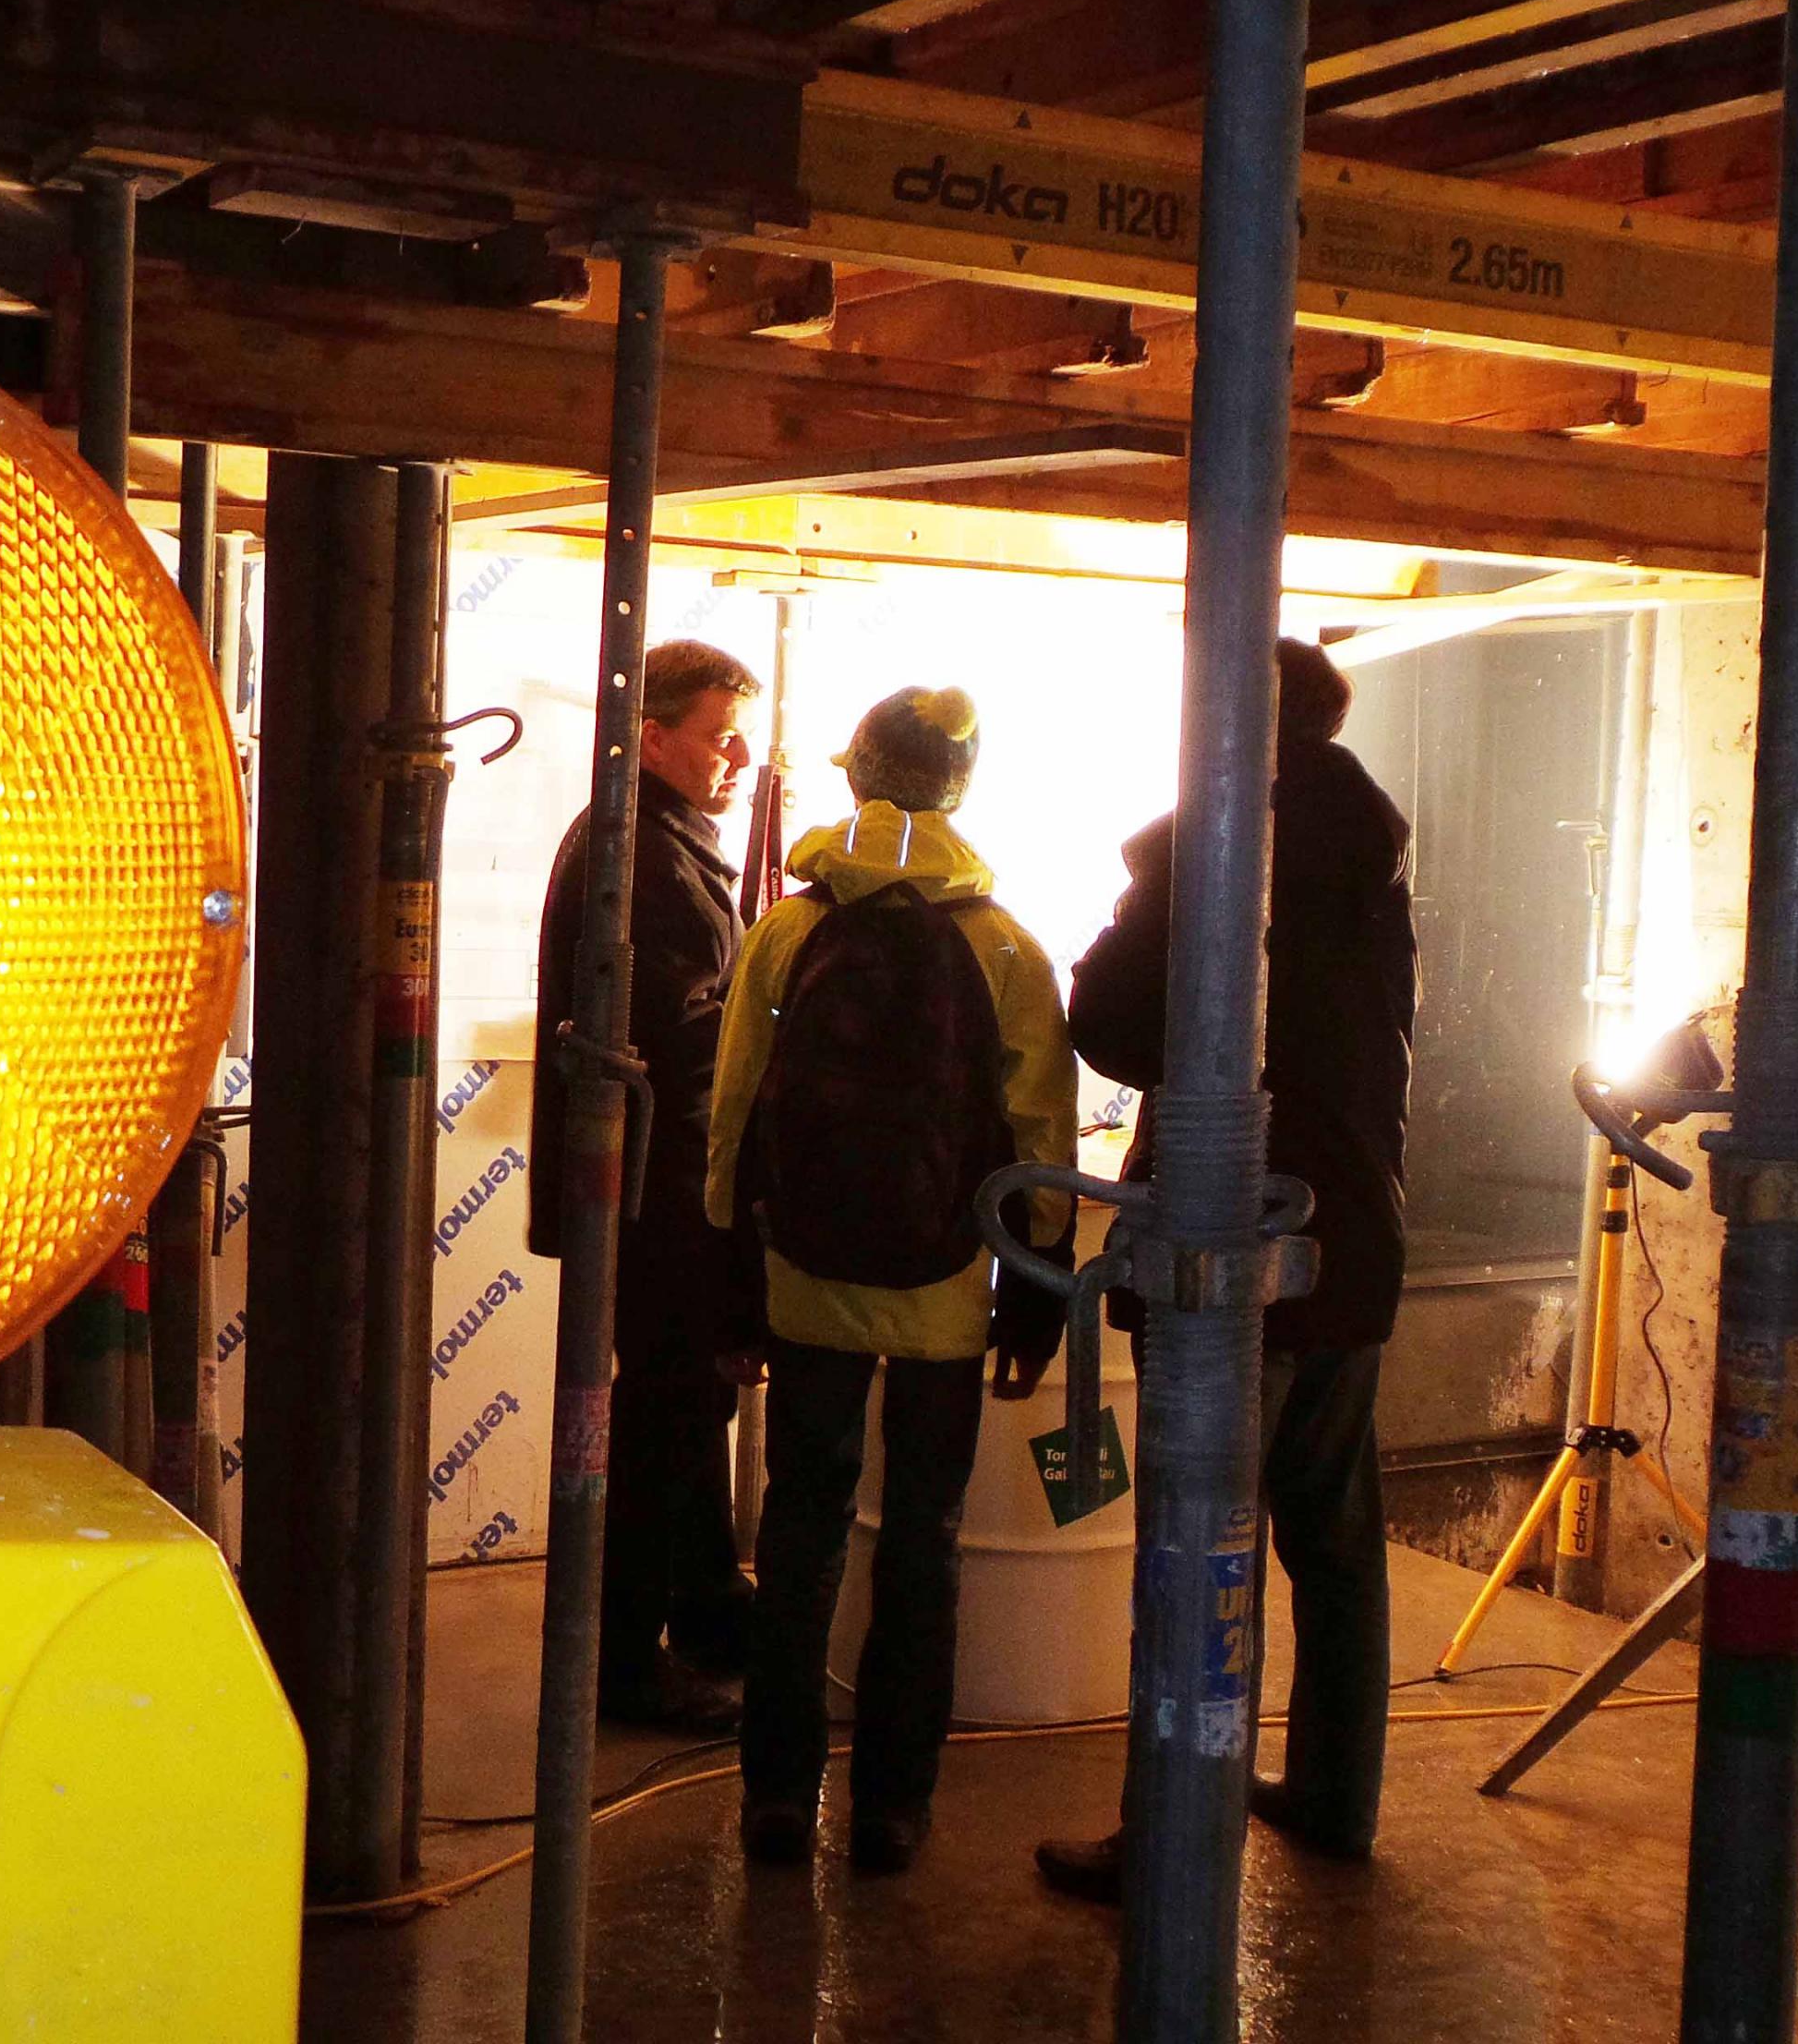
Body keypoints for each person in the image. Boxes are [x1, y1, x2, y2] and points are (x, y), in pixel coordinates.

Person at [1034, 636, 1416, 1893]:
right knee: (1334, 1540)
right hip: (1348, 1239)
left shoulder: (1215, 849)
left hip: (1222, 1244)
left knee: (1198, 1545)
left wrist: (1140, 891)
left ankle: (1168, 1836)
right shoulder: (1371, 854)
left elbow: (1107, 1022)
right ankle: (1337, 1800)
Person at [707, 687, 1078, 1874]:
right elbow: (1041, 1142)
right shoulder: (1006, 943)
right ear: (958, 787)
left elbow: (732, 1115)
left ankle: (776, 1799)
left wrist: (734, 1277)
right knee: (925, 1541)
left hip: (804, 1285)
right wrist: (1035, 1299)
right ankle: (892, 1811)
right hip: (946, 1298)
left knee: (800, 1531)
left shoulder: (787, 928)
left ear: (858, 776)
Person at [533, 638, 769, 1733]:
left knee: (686, 1403)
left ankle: (709, 1606)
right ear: (655, 737)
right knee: (664, 1411)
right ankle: (624, 1662)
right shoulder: (639, 855)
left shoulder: (655, 840)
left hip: (653, 1181)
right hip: (655, 1189)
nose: (739, 758)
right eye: (722, 737)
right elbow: (684, 1041)